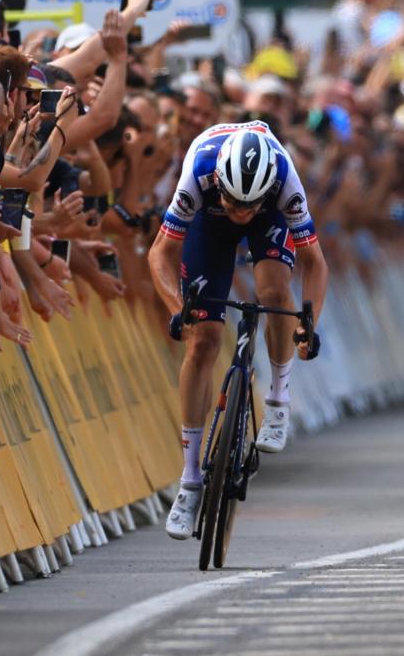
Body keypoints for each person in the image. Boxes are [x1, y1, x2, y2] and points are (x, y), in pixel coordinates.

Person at [147, 121, 329, 540]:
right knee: (204, 342)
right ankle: (190, 481)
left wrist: (309, 325)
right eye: (233, 203)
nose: (240, 213)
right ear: (219, 185)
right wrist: (178, 309)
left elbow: (315, 264)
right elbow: (159, 253)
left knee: (274, 291)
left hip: (273, 219)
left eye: (248, 206)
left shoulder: (283, 178)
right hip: (207, 226)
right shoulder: (200, 172)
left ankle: (279, 399)